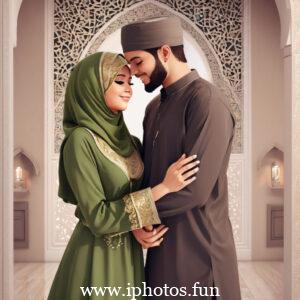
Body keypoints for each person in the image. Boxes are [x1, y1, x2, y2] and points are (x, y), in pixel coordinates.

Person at [47, 51, 199, 300]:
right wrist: (164, 188)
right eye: (119, 81)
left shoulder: (131, 143)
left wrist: (137, 229)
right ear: (92, 87)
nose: (129, 88)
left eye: (130, 82)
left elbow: (130, 201)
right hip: (95, 257)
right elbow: (97, 217)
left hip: (129, 255)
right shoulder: (80, 141)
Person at [121, 17, 241, 299]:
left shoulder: (206, 102)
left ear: (164, 52)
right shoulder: (153, 109)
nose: (135, 73)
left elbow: (194, 190)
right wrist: (140, 223)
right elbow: (151, 178)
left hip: (200, 253)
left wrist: (132, 218)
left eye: (138, 62)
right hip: (161, 249)